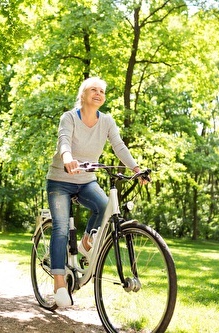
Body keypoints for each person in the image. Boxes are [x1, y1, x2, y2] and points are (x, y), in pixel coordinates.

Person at [46, 77, 146, 307]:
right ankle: (59, 284)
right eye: (94, 89)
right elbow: (64, 141)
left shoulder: (107, 121)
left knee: (104, 207)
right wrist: (68, 158)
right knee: (61, 227)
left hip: (86, 180)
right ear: (83, 94)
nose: (98, 93)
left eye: (102, 91)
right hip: (60, 180)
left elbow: (119, 146)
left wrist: (136, 169)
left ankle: (85, 242)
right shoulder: (69, 117)